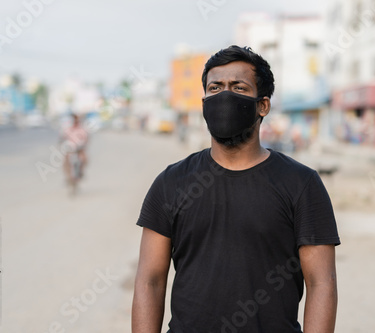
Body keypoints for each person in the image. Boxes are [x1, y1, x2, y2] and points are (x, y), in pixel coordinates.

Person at [132, 46, 340, 333]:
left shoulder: (301, 184)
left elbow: (322, 283)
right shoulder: (171, 183)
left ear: (262, 105)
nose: (224, 96)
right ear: (204, 100)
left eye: (238, 87)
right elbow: (150, 280)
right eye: (215, 87)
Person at [60, 113, 89, 184]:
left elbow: (86, 138)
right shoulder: (67, 129)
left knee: (84, 159)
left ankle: (81, 171)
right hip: (70, 148)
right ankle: (68, 176)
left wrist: (83, 145)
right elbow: (62, 138)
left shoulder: (82, 129)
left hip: (79, 148)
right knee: (66, 161)